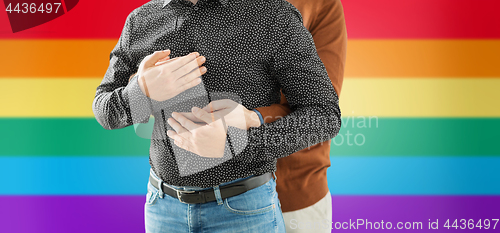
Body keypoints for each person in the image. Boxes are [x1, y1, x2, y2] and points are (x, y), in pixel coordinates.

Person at [92, 0, 341, 232]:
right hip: (162, 208)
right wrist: (142, 93)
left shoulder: (272, 16)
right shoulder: (141, 20)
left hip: (245, 210)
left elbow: (324, 116)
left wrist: (237, 144)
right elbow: (104, 110)